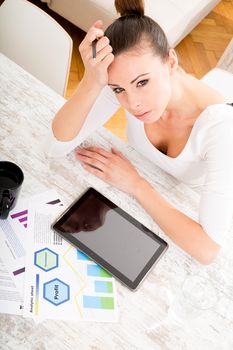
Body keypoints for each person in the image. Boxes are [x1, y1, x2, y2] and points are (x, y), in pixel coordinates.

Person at [47, 0, 233, 265]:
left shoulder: (222, 130)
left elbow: (207, 249)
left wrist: (136, 184)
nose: (132, 103)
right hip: (144, 208)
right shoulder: (126, 80)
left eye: (142, 83)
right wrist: (92, 80)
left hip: (195, 213)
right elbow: (56, 145)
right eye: (117, 90)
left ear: (170, 61)